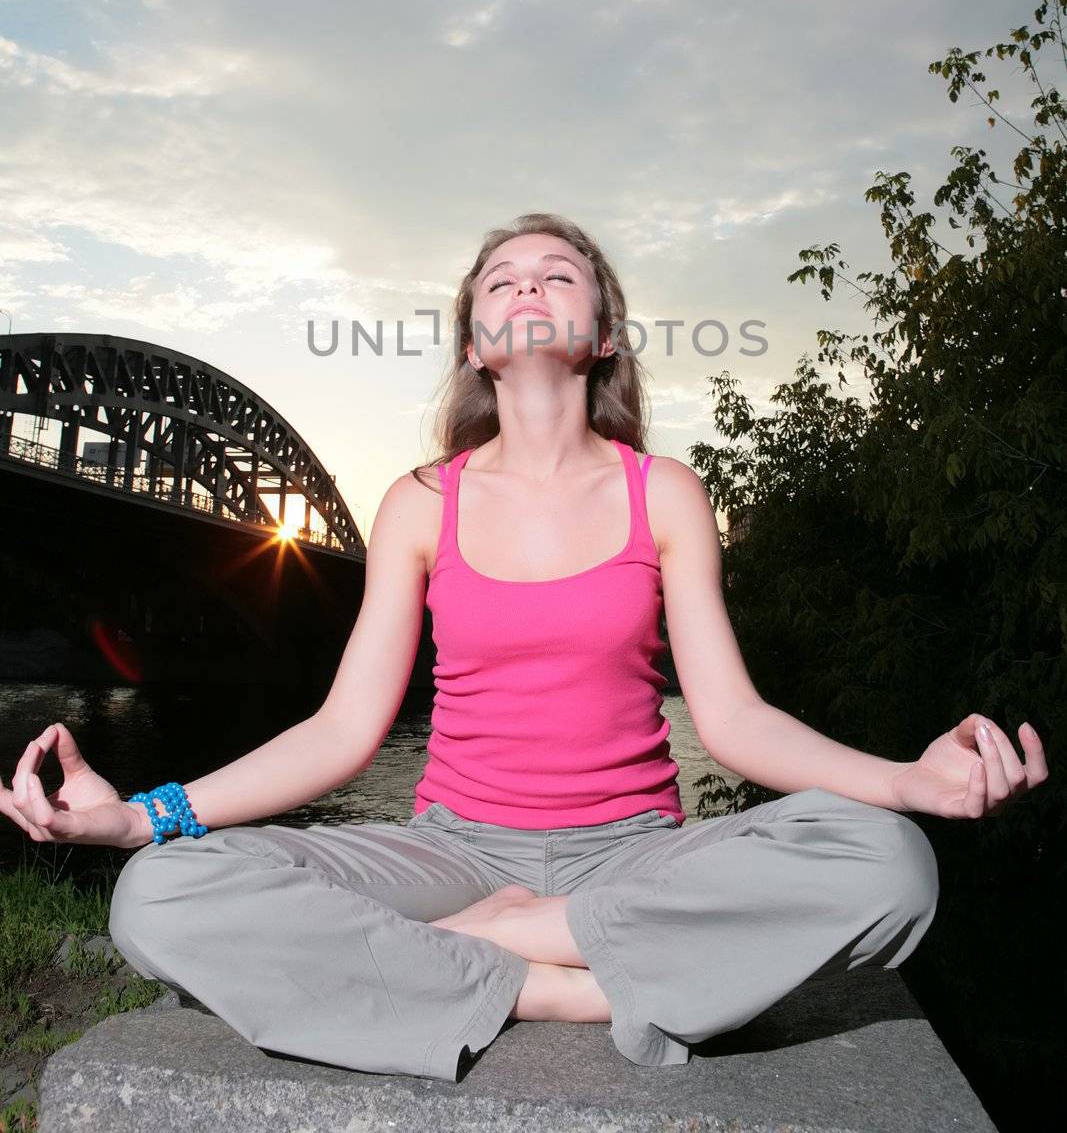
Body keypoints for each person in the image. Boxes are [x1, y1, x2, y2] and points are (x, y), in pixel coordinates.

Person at [0, 211, 1048, 1084]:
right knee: (160, 894)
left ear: (600, 333)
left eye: (558, 272)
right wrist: (139, 818)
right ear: (473, 343)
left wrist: (907, 783)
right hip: (448, 852)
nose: (528, 284)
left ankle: (503, 942)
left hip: (633, 851)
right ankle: (557, 981)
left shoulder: (664, 492)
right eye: (499, 280)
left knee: (889, 863)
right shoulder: (419, 504)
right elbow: (340, 732)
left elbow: (731, 720)